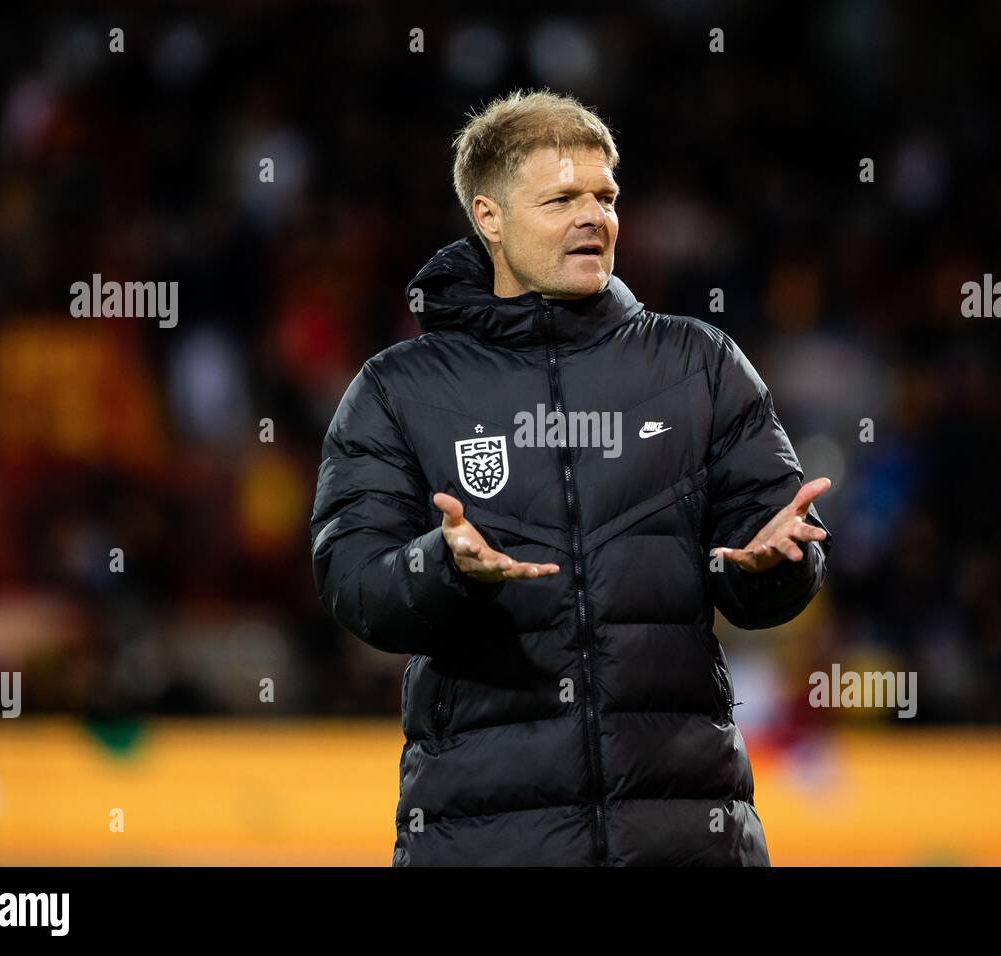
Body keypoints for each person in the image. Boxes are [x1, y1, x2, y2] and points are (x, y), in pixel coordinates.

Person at [311, 89, 833, 866]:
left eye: (606, 196)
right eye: (563, 198)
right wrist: (442, 567)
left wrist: (777, 564)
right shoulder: (399, 390)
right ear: (489, 218)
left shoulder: (700, 363)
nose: (596, 216)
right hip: (486, 836)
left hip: (685, 833)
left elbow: (769, 553)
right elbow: (352, 577)